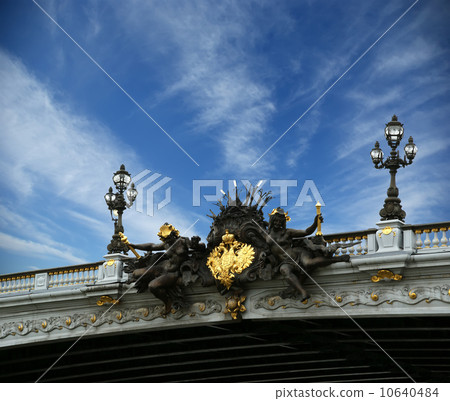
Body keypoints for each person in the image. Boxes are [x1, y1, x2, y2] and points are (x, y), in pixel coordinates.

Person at [128, 223, 201, 314]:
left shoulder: (183, 241)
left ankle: (167, 302)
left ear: (174, 234)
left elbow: (198, 247)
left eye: (167, 238)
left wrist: (196, 243)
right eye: (164, 238)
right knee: (136, 273)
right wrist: (134, 246)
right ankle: (149, 278)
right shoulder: (167, 244)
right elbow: (152, 246)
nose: (166, 240)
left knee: (152, 286)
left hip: (173, 273)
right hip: (162, 267)